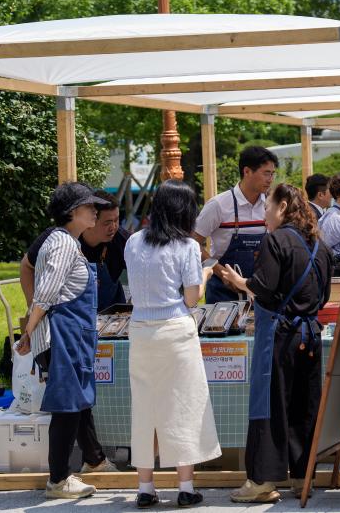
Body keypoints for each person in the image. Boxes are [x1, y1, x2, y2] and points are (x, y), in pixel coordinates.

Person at [223, 184, 334, 503]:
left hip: (279, 334)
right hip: (310, 334)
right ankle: (302, 477)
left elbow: (265, 288)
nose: (264, 214)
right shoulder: (318, 243)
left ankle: (261, 481)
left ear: (283, 206)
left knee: (269, 405)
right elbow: (323, 294)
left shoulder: (275, 240)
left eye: (267, 208)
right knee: (303, 406)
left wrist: (238, 282)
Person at [124, 181, 220, 508]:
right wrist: (206, 276)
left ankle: (145, 487)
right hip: (176, 329)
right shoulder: (187, 246)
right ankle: (185, 486)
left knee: (145, 408)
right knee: (183, 406)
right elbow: (193, 299)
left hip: (139, 330)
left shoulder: (133, 241)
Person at [15, 183, 112, 499]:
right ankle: (58, 480)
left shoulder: (68, 241)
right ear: (72, 212)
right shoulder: (63, 245)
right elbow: (45, 294)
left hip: (69, 337)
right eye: (89, 206)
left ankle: (87, 463)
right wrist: (28, 332)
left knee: (74, 406)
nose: (95, 211)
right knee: (67, 408)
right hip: (62, 337)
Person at [22, 190, 131, 312]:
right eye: (107, 222)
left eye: (116, 220)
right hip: (71, 318)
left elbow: (145, 268)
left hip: (113, 316)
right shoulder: (58, 238)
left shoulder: (123, 240)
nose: (114, 227)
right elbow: (26, 266)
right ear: (91, 219)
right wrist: (32, 305)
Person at [194, 146, 278, 303]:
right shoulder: (218, 205)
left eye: (273, 174)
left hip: (259, 289)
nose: (270, 179)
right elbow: (193, 243)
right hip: (222, 290)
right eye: (266, 173)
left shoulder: (271, 204)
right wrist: (219, 271)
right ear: (247, 172)